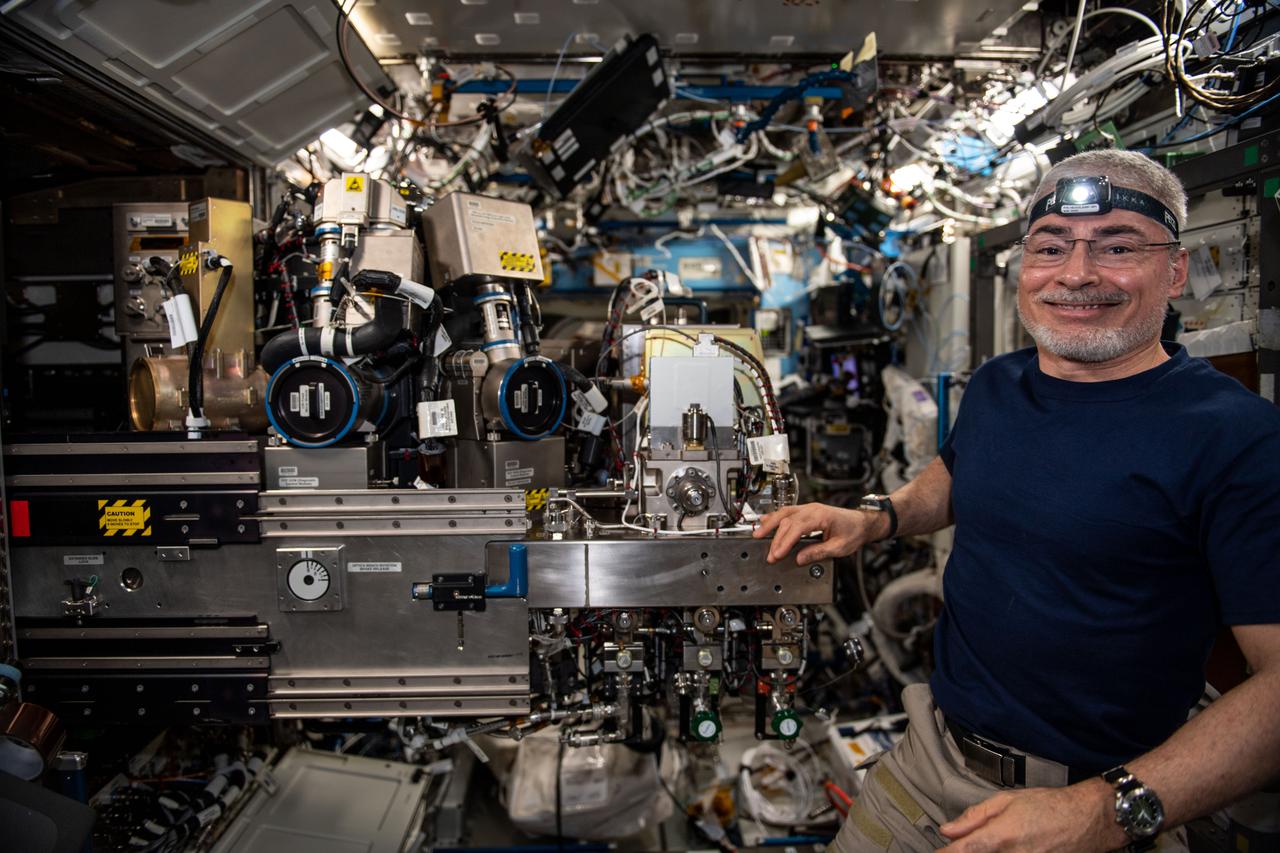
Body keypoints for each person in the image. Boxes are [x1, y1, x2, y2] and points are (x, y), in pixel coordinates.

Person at [755, 149, 1280, 852]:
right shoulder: (1000, 383)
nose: (1077, 273)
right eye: (1051, 246)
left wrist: (1101, 811)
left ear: (1176, 270)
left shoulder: (1236, 436)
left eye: (1118, 246)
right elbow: (955, 475)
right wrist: (875, 517)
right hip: (930, 759)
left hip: (1091, 799)